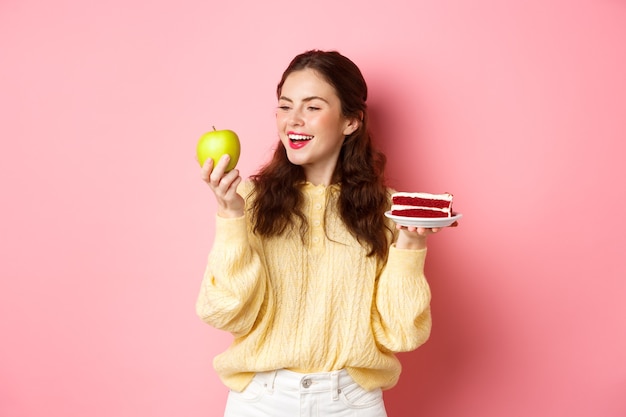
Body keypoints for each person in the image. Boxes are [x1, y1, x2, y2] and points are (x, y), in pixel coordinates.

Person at [196, 49, 455, 417]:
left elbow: (402, 333)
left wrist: (410, 246)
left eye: (312, 107)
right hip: (261, 401)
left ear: (351, 120)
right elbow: (225, 313)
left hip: (351, 403)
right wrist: (231, 216)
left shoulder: (390, 209)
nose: (293, 121)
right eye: (285, 107)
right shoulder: (247, 201)